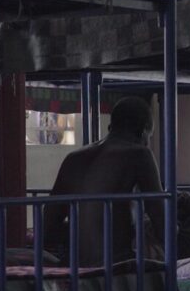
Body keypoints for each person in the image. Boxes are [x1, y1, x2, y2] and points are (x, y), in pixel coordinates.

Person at [44, 97, 165, 267]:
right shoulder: (140, 154)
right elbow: (165, 229)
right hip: (114, 266)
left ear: (110, 127)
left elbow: (47, 229)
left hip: (74, 264)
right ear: (143, 132)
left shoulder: (73, 158)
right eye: (149, 137)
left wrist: (84, 232)